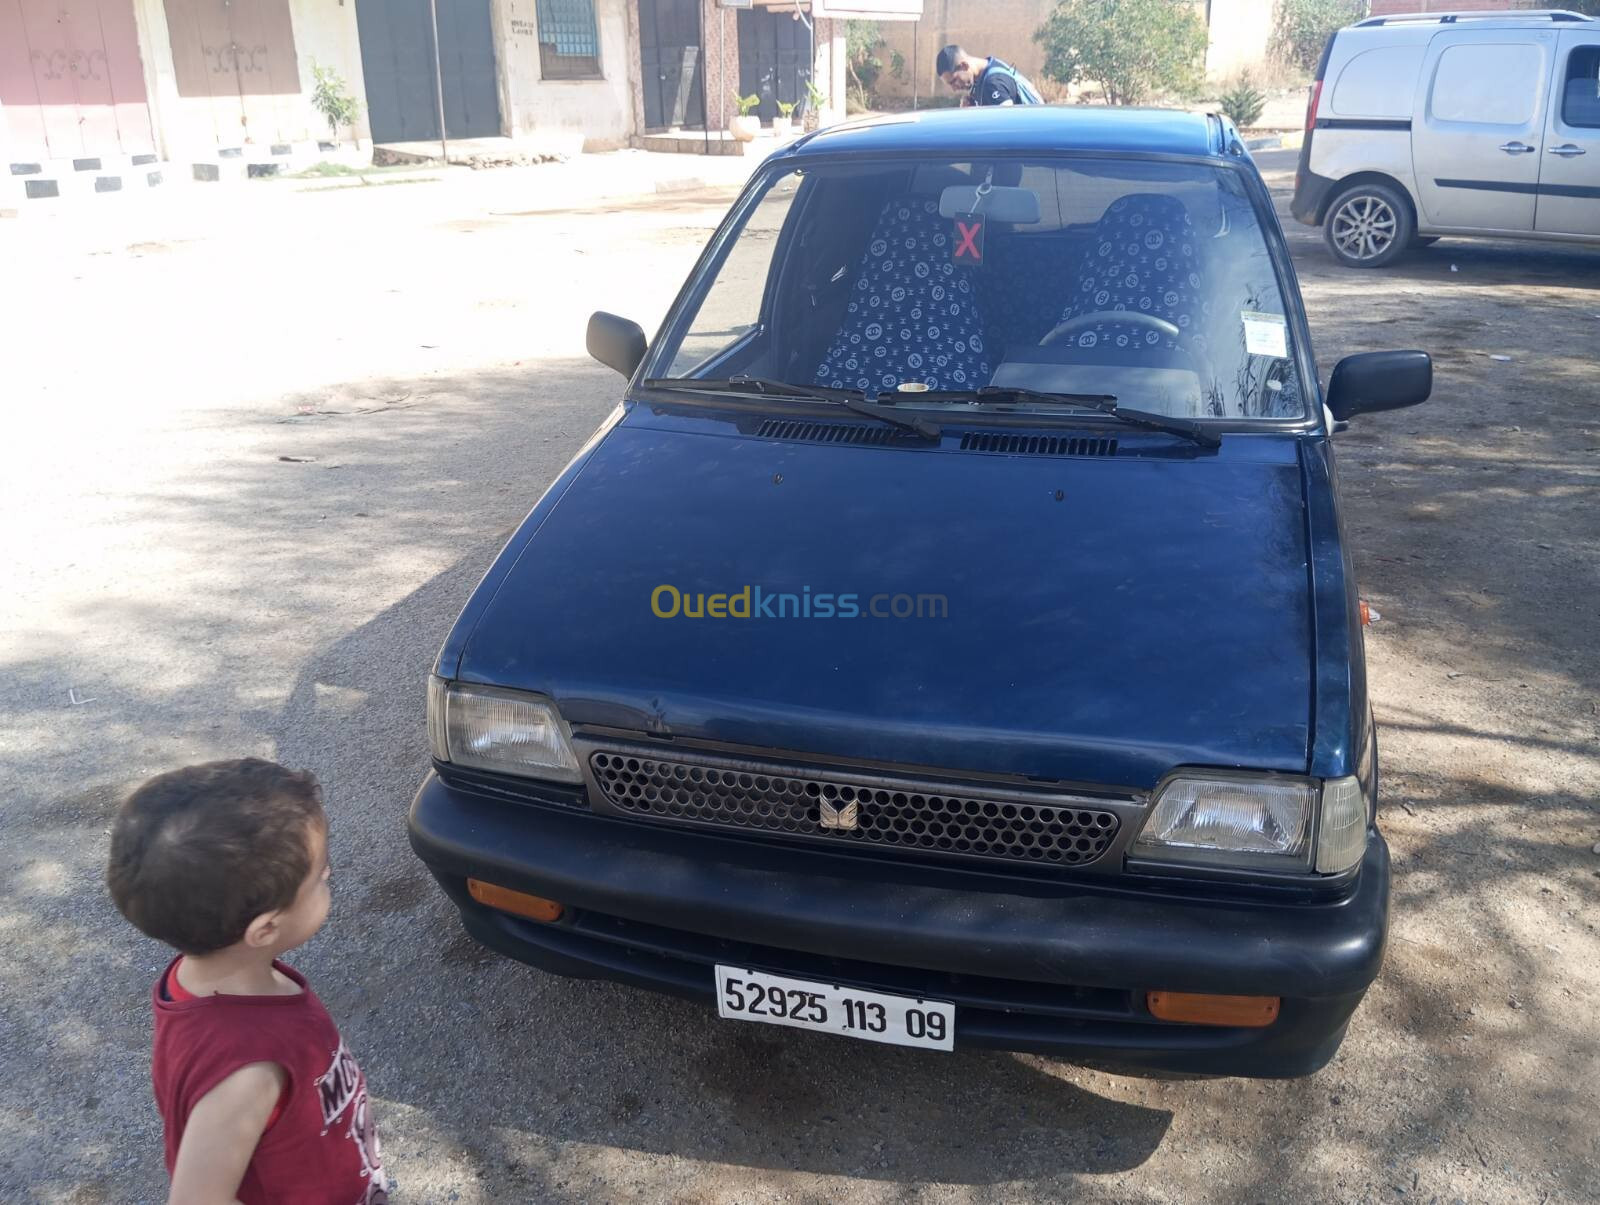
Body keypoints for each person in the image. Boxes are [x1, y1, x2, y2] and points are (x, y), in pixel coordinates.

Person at [107, 758, 388, 1204]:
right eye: (320, 878)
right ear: (264, 930)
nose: (329, 877)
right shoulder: (247, 1069)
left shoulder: (208, 977)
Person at [935, 45, 1043, 107]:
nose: (954, 88)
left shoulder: (993, 84)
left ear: (964, 65)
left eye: (954, 81)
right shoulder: (987, 71)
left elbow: (1004, 130)